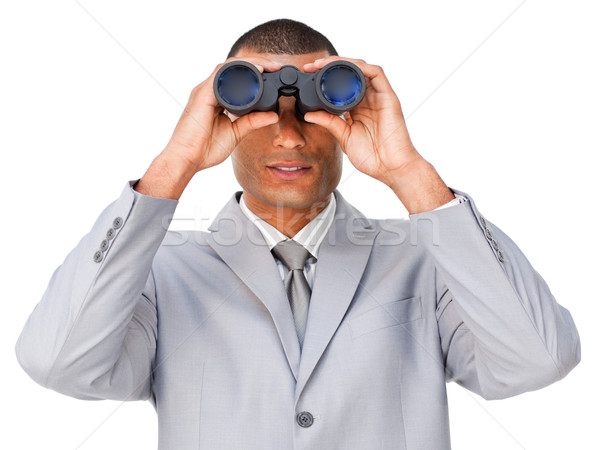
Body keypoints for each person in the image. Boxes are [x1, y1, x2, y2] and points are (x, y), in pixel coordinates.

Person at [16, 18, 580, 449]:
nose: (288, 136)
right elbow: (60, 364)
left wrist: (409, 174)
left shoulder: (427, 259)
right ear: (219, 115)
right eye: (256, 104)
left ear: (349, 116)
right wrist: (176, 162)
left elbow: (537, 360)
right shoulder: (159, 269)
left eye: (313, 106)